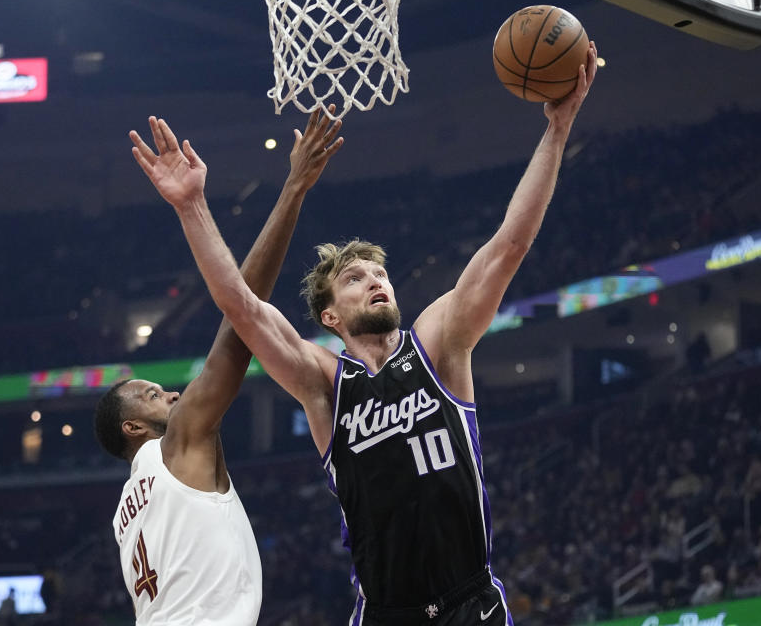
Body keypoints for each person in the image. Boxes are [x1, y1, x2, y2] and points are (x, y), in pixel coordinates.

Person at [144, 43, 596, 625]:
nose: (375, 282)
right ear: (330, 316)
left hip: (471, 603)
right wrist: (191, 207)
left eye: (380, 274)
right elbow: (243, 308)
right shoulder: (324, 384)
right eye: (355, 279)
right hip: (388, 614)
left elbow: (508, 245)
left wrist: (557, 131)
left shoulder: (438, 343)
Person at [94, 107, 343, 625]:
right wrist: (292, 189)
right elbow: (240, 323)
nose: (175, 396)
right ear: (133, 427)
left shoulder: (124, 513)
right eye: (154, 395)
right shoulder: (175, 445)